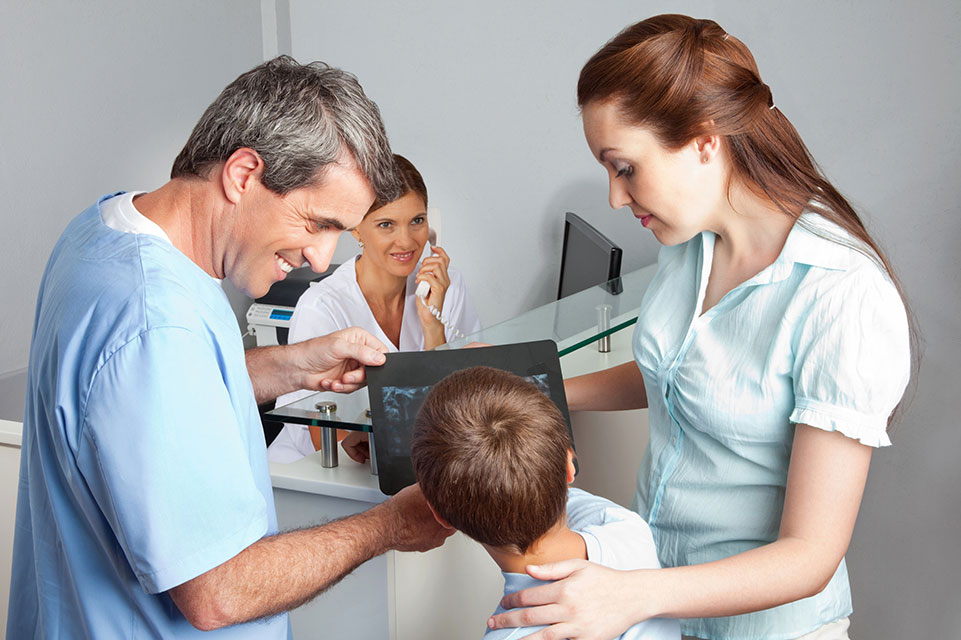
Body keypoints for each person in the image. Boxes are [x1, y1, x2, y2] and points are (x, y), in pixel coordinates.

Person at [488, 14, 914, 640]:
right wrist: (542, 386)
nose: (613, 195)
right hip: (662, 607)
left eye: (624, 167)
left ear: (703, 139)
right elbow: (675, 373)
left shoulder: (839, 294)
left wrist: (629, 595)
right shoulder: (692, 240)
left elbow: (810, 557)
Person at [7, 56, 451, 639]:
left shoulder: (105, 234)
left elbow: (160, 399)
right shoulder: (157, 324)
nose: (321, 260)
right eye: (317, 223)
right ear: (243, 174)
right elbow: (217, 591)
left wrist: (294, 366)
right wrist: (391, 525)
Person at [411, 366, 680, 640]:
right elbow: (541, 487)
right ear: (569, 466)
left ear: (441, 517)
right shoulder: (627, 529)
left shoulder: (511, 632)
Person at [268, 154, 481, 463]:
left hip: (409, 461)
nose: (406, 241)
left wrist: (432, 327)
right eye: (386, 225)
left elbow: (468, 406)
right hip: (315, 472)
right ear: (355, 229)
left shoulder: (445, 286)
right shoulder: (323, 308)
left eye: (417, 221)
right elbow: (318, 438)